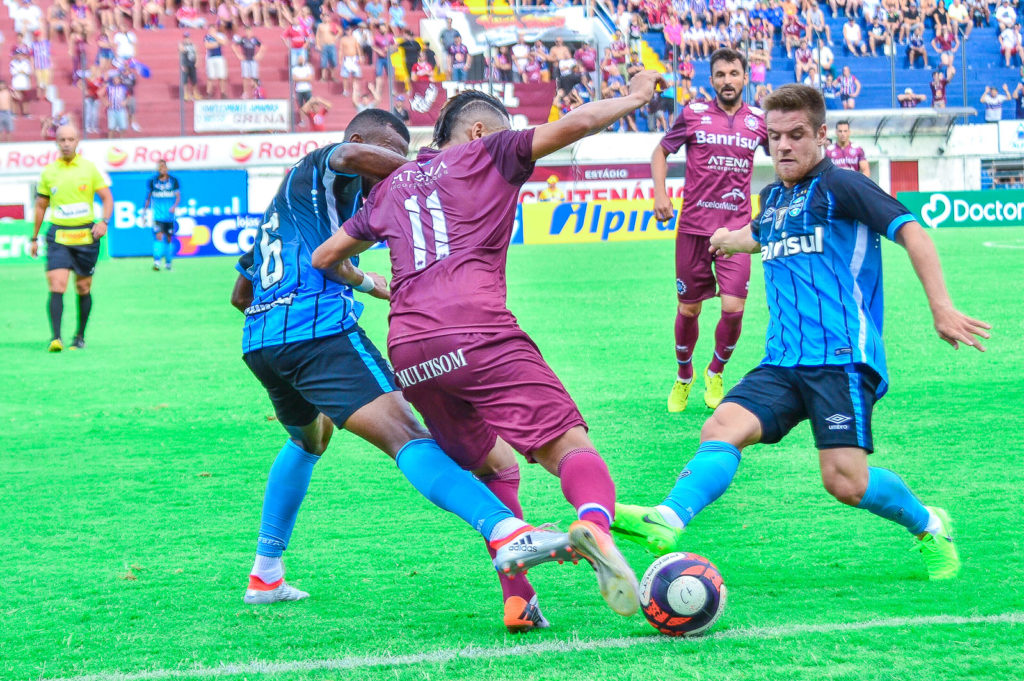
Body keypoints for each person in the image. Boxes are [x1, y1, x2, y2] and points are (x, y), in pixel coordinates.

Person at [310, 72, 671, 623]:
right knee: (568, 447)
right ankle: (594, 526)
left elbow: (325, 257)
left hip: (411, 349)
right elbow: (574, 125)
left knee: (497, 468)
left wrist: (371, 284)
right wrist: (638, 98)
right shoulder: (488, 151)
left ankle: (519, 601)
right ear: (478, 129)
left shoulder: (390, 188)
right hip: (475, 328)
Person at [612, 84, 991, 582]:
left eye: (796, 135)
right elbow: (762, 232)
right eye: (774, 137)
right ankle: (668, 518)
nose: (784, 146)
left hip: (841, 359)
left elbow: (912, 230)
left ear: (820, 136)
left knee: (845, 482)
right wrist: (729, 239)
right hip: (782, 361)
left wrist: (941, 309)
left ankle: (929, 526)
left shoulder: (843, 186)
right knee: (722, 427)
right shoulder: (772, 198)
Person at [229, 109, 571, 631]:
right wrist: (415, 166)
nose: (388, 171)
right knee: (407, 434)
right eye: (385, 154)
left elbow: (240, 294)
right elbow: (345, 156)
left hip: (262, 342)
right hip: (315, 330)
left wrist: (367, 284)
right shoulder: (324, 164)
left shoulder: (290, 208)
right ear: (362, 142)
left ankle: (266, 574)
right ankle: (506, 530)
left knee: (309, 441)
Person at [652, 48, 768, 414]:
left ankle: (715, 371)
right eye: (720, 74)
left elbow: (785, 155)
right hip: (692, 229)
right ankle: (684, 376)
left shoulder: (758, 122)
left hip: (736, 232)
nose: (727, 80)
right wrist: (660, 193)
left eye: (734, 73)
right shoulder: (693, 115)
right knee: (688, 311)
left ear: (745, 78)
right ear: (712, 80)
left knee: (733, 309)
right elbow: (660, 152)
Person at [30, 125, 114, 352]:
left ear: (78, 142)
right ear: (56, 143)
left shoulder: (89, 169)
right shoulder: (49, 172)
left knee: (83, 287)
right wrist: (34, 238)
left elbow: (107, 198)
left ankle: (79, 336)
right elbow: (40, 206)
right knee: (57, 284)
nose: (66, 143)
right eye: (62, 140)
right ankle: (55, 338)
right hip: (58, 235)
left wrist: (103, 221)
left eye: (70, 139)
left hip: (86, 236)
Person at [144, 159, 180, 271]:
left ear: (167, 168)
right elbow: (148, 198)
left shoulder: (173, 181)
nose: (162, 169)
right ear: (158, 169)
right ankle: (157, 262)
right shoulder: (153, 181)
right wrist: (144, 212)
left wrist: (174, 206)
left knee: (169, 239)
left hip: (169, 216)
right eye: (160, 168)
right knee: (158, 236)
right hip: (157, 216)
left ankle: (168, 263)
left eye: (164, 167)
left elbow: (178, 196)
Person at [233, 25, 264, 98]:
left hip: (253, 60)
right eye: (246, 31)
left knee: (254, 77)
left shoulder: (254, 39)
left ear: (251, 31)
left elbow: (262, 46)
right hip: (245, 60)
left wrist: (259, 55)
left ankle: (256, 93)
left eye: (249, 31)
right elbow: (234, 46)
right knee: (245, 77)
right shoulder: (243, 39)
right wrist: (238, 55)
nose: (248, 33)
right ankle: (245, 93)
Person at [180, 31, 201, 101]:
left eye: (188, 37)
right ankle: (186, 94)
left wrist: (197, 61)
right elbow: (181, 52)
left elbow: (197, 53)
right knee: (185, 80)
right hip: (185, 63)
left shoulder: (193, 45)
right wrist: (182, 65)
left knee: (194, 79)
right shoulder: (182, 44)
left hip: (192, 63)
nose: (187, 39)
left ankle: (195, 93)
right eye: (185, 37)